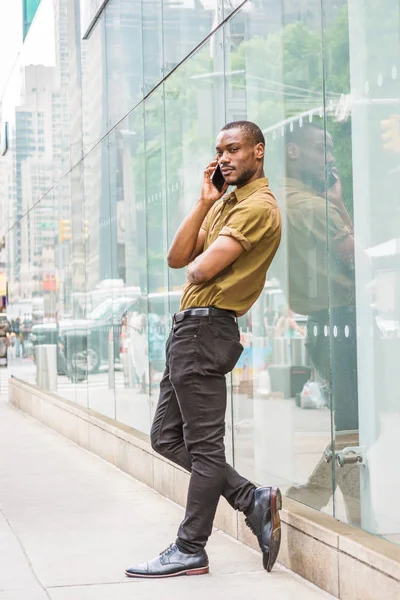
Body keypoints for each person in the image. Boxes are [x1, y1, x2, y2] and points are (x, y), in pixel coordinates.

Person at [125, 121, 282, 578]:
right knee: (165, 437)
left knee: (205, 448)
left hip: (208, 329)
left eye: (234, 149)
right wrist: (204, 202)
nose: (225, 158)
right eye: (220, 150)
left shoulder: (257, 206)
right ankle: (250, 498)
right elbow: (177, 259)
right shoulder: (225, 203)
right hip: (189, 332)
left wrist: (203, 256)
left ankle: (190, 547)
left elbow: (199, 270)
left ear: (258, 151)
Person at [280, 121, 362, 524]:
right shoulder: (312, 207)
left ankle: (313, 497)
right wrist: (340, 205)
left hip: (324, 323)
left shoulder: (292, 199)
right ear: (293, 152)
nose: (329, 156)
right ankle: (348, 511)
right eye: (321, 148)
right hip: (340, 323)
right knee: (357, 428)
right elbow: (357, 258)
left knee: (356, 425)